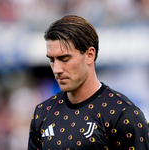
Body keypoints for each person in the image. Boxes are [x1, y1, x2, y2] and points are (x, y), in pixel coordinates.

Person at [28, 15, 149, 150]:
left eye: (65, 59)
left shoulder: (122, 114)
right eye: (52, 60)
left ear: (89, 55)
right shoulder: (43, 113)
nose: (56, 69)